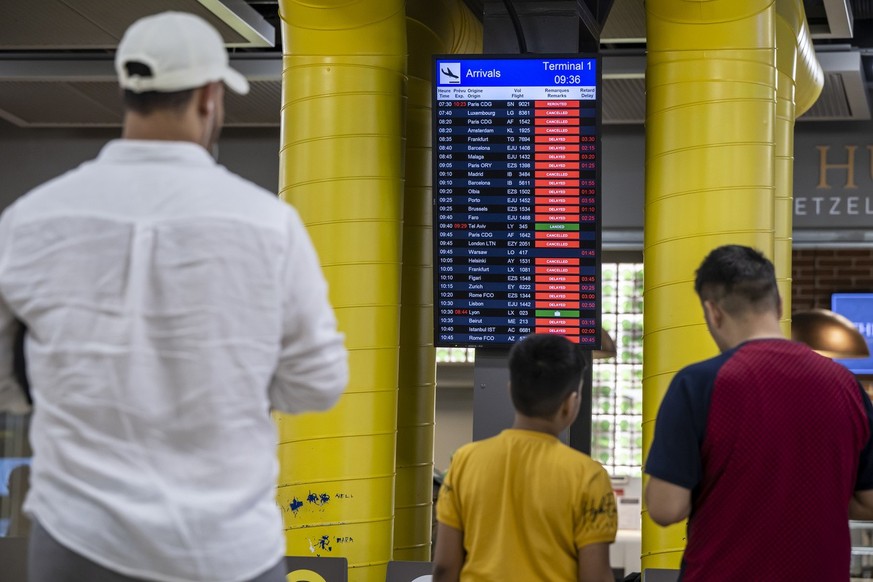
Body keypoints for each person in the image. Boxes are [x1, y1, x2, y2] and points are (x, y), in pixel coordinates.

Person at [0, 11, 348, 582]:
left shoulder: (33, 218)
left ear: (127, 91)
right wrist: (238, 377)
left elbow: (7, 376)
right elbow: (318, 383)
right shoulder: (269, 225)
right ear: (210, 97)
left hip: (78, 542)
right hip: (226, 550)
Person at [645, 244, 873, 580]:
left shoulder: (698, 384)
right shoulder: (846, 386)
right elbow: (869, 501)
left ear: (713, 312)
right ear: (778, 304)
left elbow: (666, 508)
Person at [432, 333, 617, 582]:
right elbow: (595, 576)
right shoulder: (589, 476)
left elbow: (445, 566)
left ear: (511, 391)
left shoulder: (465, 462)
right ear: (571, 403)